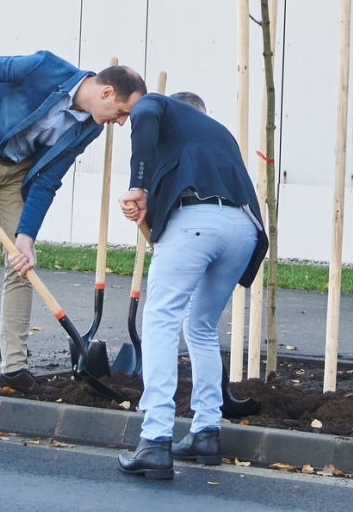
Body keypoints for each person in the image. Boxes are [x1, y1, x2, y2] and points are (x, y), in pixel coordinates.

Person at [0, 51, 146, 395]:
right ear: (106, 93)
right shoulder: (43, 67)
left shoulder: (90, 126)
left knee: (21, 265)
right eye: (122, 113)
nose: (121, 122)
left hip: (16, 175)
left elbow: (48, 178)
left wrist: (27, 236)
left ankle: (14, 368)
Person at [116, 91, 268, 481]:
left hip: (197, 219)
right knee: (199, 326)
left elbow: (143, 114)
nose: (120, 120)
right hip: (244, 228)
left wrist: (138, 186)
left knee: (161, 320)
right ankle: (206, 431)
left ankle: (154, 439)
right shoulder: (217, 134)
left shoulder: (154, 104)